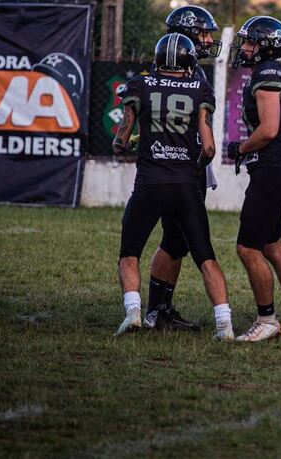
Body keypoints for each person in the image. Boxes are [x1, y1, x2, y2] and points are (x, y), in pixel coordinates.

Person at [112, 33, 231, 338]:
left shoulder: (139, 85)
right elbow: (208, 148)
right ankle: (224, 323)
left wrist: (123, 143)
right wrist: (194, 168)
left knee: (129, 253)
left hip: (150, 183)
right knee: (206, 257)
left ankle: (134, 312)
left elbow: (121, 139)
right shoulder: (200, 88)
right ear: (189, 61)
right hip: (185, 185)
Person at [228, 15, 281, 342]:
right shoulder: (267, 73)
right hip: (276, 171)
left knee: (248, 249)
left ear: (265, 46)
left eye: (250, 42)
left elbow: (269, 128)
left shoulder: (268, 73)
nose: (245, 48)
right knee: (273, 246)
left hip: (271, 170)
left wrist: (241, 147)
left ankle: (267, 319)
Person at [144, 5, 224, 331]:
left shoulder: (183, 71)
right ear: (187, 35)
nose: (207, 40)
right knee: (174, 239)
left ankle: (161, 309)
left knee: (175, 241)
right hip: (178, 166)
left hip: (179, 164)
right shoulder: (182, 74)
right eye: (203, 33)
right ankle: (155, 310)